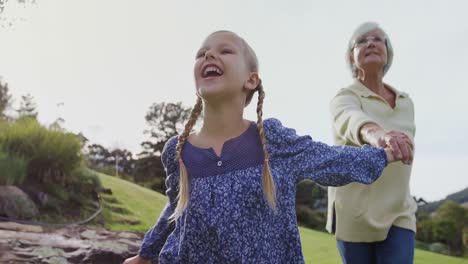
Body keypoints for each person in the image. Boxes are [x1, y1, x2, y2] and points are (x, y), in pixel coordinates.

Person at [124, 30, 401, 264]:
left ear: (251, 80)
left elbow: (330, 160)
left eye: (225, 51)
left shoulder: (271, 141)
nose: (209, 55)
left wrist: (384, 152)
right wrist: (147, 253)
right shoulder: (178, 151)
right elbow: (175, 208)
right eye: (201, 53)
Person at [326, 22, 417, 264]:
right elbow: (352, 120)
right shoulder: (344, 97)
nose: (371, 43)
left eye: (378, 39)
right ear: (351, 56)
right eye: (362, 41)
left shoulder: (406, 102)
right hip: (354, 213)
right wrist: (379, 135)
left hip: (400, 211)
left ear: (387, 52)